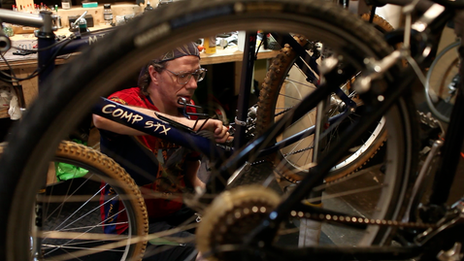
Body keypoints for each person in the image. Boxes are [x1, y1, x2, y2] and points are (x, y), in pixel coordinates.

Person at [93, 42, 230, 261]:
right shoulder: (129, 101)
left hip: (178, 211)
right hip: (134, 225)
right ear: (154, 74)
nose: (193, 84)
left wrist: (209, 196)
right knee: (208, 254)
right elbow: (101, 117)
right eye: (183, 76)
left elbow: (190, 172)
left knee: (234, 237)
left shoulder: (188, 108)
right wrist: (186, 125)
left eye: (197, 75)